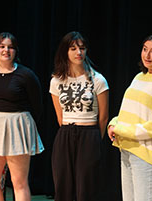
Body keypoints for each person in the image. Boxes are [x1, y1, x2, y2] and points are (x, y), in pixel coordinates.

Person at [108, 33, 152, 201]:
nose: (147, 55)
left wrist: (123, 130)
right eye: (145, 49)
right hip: (127, 148)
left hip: (147, 153)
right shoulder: (139, 77)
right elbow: (129, 111)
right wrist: (114, 123)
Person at [0, 32, 44, 201]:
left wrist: (24, 126)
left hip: (17, 126)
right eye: (2, 46)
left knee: (18, 182)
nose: (6, 50)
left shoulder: (26, 75)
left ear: (16, 51)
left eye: (10, 47)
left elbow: (37, 105)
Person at [49, 31, 109, 201]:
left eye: (82, 48)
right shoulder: (56, 81)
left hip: (89, 134)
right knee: (63, 186)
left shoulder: (98, 80)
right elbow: (60, 117)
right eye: (73, 48)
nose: (78, 52)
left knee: (86, 187)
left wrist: (95, 138)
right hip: (66, 134)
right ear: (65, 52)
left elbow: (103, 117)